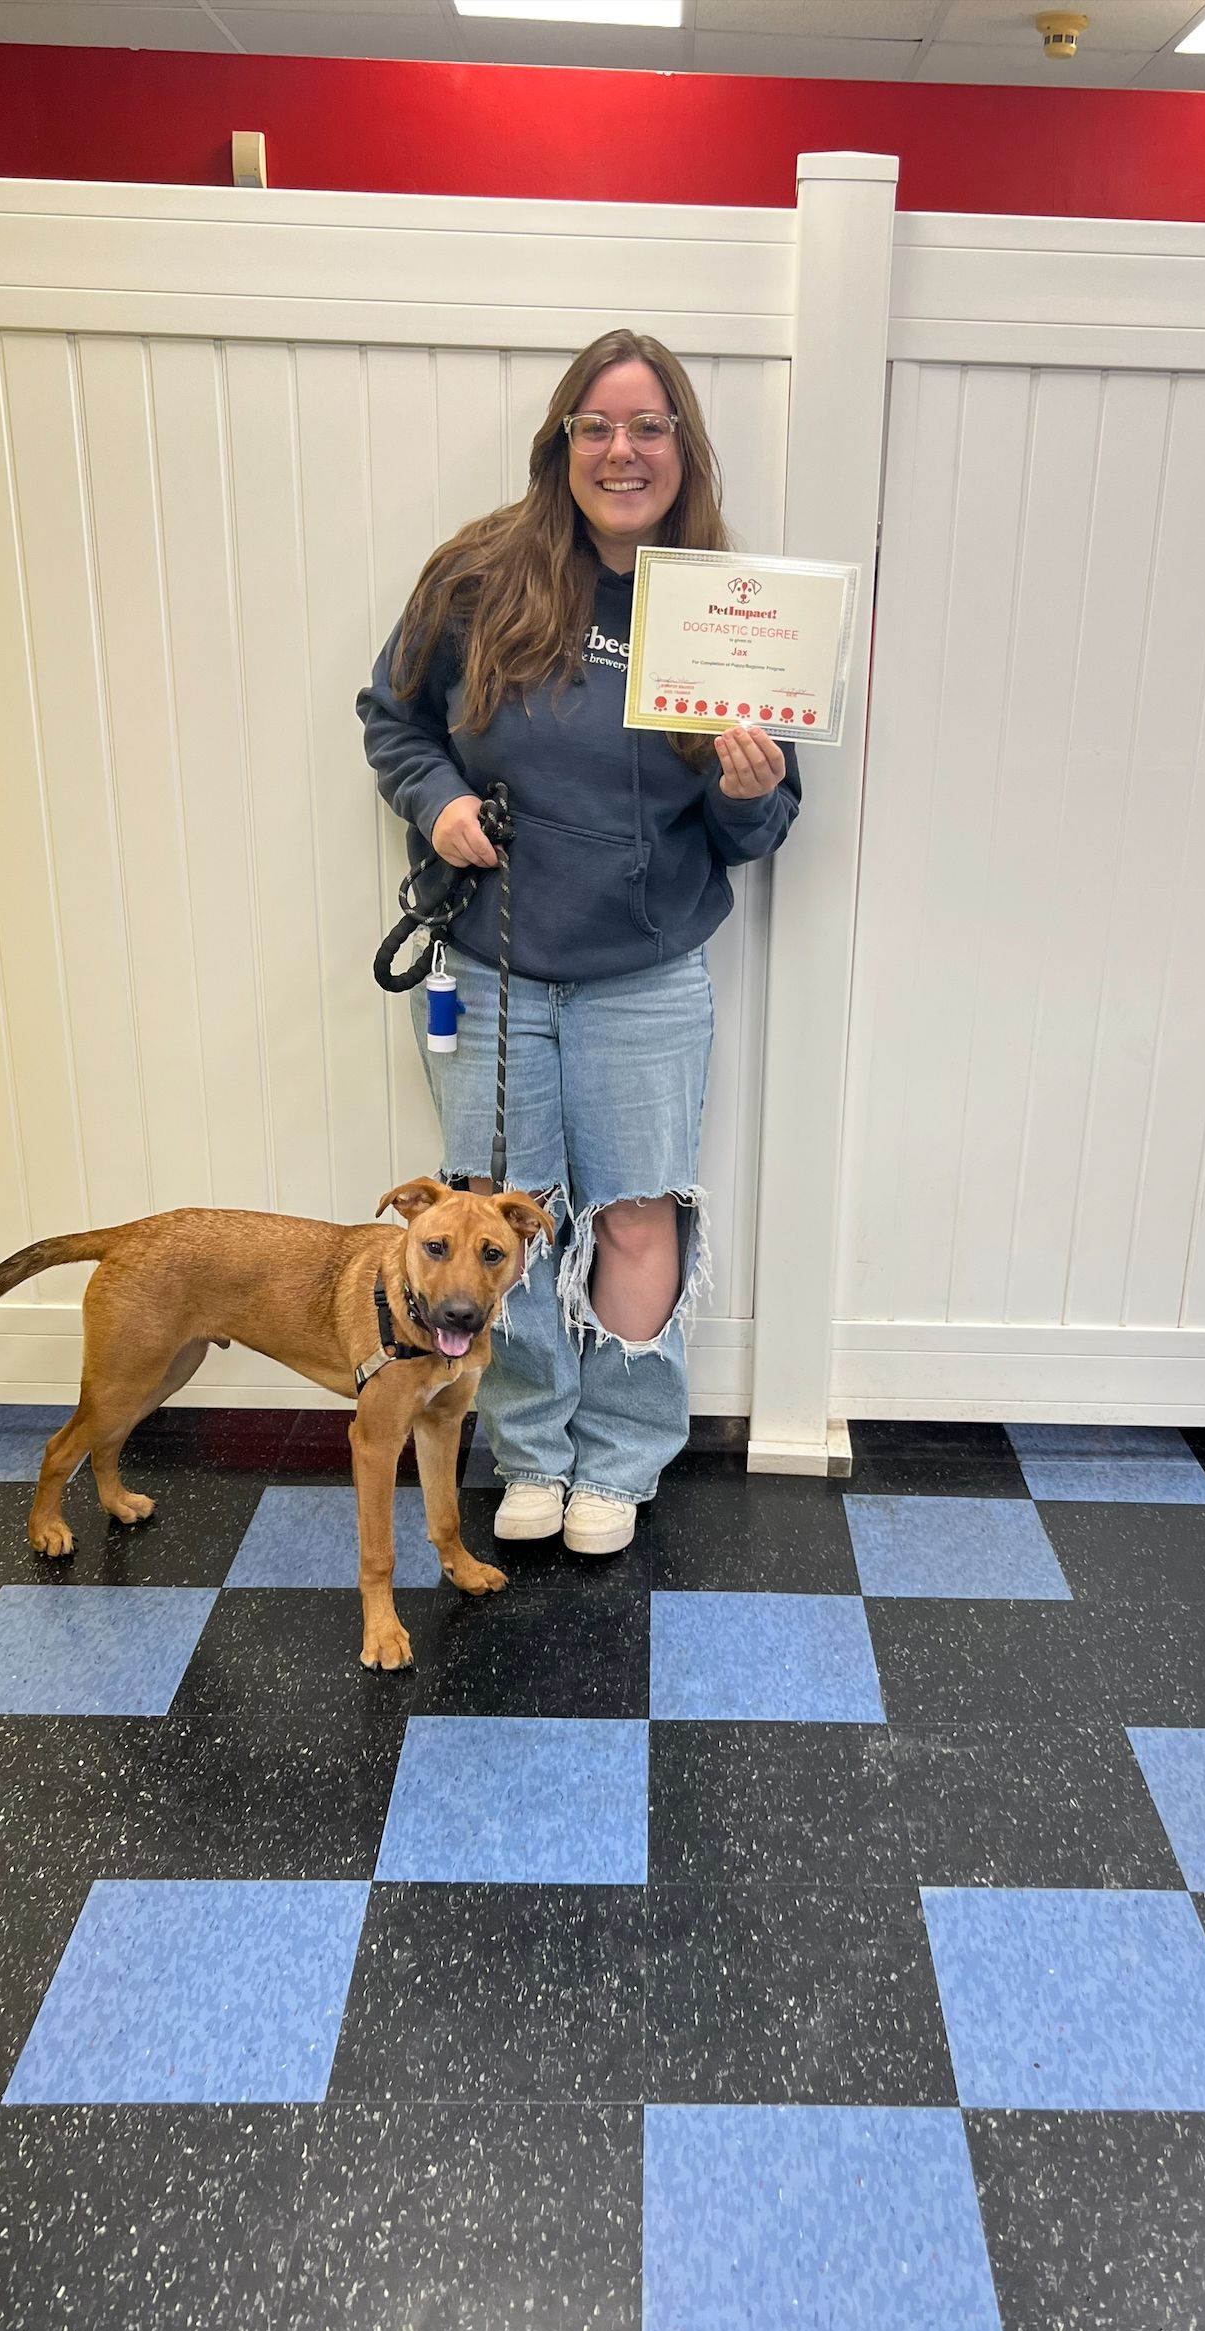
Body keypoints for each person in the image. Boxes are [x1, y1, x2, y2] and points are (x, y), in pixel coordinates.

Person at [356, 329, 801, 1556]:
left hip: (645, 976)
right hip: (486, 963)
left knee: (637, 1217)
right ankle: (532, 1450)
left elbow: (754, 828)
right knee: (504, 1222)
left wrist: (749, 783)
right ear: (561, 443)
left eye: (648, 427)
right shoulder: (476, 576)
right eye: (596, 426)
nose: (622, 450)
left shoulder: (725, 608)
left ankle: (620, 1457)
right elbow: (390, 718)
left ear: (682, 448)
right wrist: (436, 800)